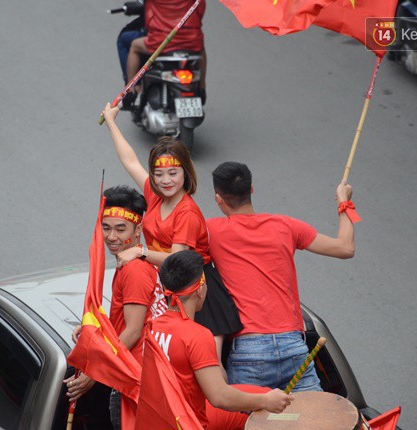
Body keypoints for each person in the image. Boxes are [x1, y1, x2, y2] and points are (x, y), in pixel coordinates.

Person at [102, 103, 242, 362]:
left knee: (203, 365)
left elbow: (177, 259)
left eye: (173, 173)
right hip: (168, 285)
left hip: (197, 291)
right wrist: (111, 121)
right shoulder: (155, 197)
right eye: (159, 174)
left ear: (185, 172)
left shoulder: (186, 212)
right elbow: (130, 160)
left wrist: (140, 252)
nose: (166, 180)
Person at [206, 162, 357, 392]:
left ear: (218, 199)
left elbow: (176, 254)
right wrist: (343, 201)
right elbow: (345, 248)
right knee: (312, 421)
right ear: (252, 189)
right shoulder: (286, 226)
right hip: (293, 347)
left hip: (248, 351)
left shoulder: (211, 231)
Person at [148, 250, 294, 429]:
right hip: (188, 421)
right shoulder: (197, 335)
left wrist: (264, 396)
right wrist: (265, 401)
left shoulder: (151, 326)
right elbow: (219, 396)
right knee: (260, 416)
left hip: (160, 418)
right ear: (200, 289)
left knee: (262, 393)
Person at [64, 185, 168, 429]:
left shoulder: (134, 270)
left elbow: (133, 331)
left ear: (138, 229)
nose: (112, 237)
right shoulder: (130, 263)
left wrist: (94, 374)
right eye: (107, 228)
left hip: (129, 379)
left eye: (121, 229)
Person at [125, 0, 207, 96]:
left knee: (134, 46)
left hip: (161, 42)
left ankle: (130, 90)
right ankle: (202, 86)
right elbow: (200, 10)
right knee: (200, 49)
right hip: (191, 41)